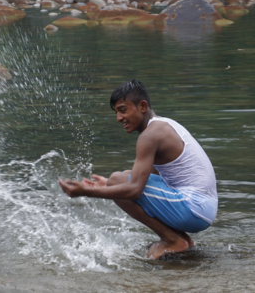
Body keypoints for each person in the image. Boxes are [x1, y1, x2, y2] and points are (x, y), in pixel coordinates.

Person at [59, 80, 218, 259]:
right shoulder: (163, 125)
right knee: (122, 178)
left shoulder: (150, 135)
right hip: (203, 208)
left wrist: (87, 191)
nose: (119, 118)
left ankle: (172, 240)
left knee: (119, 180)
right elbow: (161, 175)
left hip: (194, 209)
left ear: (142, 106)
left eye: (123, 110)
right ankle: (183, 240)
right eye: (117, 112)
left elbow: (135, 190)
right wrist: (107, 186)